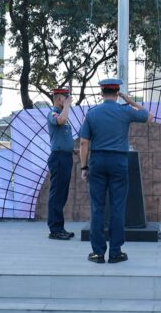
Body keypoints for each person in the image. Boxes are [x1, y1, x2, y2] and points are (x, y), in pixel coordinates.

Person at [79, 77, 151, 265]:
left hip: (97, 161)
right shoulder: (125, 111)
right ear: (117, 93)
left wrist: (84, 167)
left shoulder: (92, 113)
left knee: (97, 208)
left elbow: (84, 142)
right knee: (118, 208)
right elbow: (148, 116)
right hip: (119, 161)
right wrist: (130, 101)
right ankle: (115, 253)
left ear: (102, 93)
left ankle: (98, 253)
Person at [46, 86, 75, 240]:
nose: (68, 99)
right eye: (66, 97)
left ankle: (60, 227)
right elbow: (61, 121)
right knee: (57, 194)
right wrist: (67, 105)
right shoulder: (53, 113)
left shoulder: (62, 113)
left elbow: (62, 137)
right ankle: (55, 230)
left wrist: (73, 149)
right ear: (58, 98)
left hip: (65, 157)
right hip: (58, 158)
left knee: (62, 194)